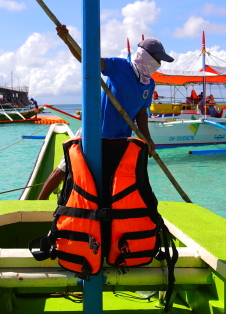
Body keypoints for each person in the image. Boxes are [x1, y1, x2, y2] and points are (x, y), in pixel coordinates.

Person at [37, 38, 174, 200]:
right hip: (95, 131)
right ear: (145, 56)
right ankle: (40, 201)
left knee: (112, 178)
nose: (159, 63)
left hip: (120, 139)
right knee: (66, 166)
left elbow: (141, 113)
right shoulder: (120, 67)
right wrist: (67, 41)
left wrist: (147, 139)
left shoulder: (149, 84)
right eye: (157, 59)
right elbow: (89, 61)